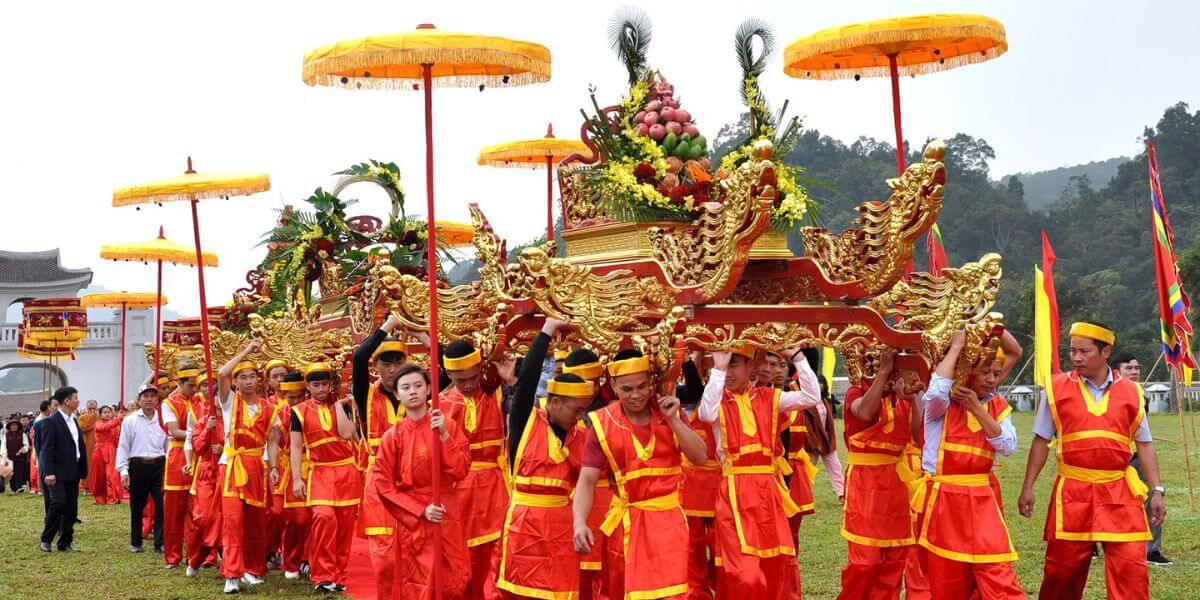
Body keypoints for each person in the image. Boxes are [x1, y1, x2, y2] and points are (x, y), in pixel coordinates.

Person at [1019, 321, 1167, 600]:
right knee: (1061, 575)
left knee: (1131, 572)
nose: (1076, 357)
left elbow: (1144, 444)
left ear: (1106, 351)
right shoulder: (1056, 388)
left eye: (1084, 351)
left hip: (1120, 492)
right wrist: (1028, 486)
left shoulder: (1132, 392)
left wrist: (1157, 490)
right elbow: (1041, 441)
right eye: (1072, 350)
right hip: (1073, 492)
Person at [573, 348, 707, 600]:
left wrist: (675, 420)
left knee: (673, 593)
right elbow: (587, 480)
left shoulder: (668, 410)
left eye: (642, 386)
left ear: (651, 382)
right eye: (627, 389)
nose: (636, 395)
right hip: (627, 525)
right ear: (613, 386)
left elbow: (700, 456)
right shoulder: (602, 422)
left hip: (669, 526)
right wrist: (579, 522)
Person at [700, 346, 822, 599]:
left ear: (750, 368)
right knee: (744, 574)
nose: (729, 371)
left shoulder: (769, 397)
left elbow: (811, 396)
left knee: (777, 564)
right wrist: (718, 369)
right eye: (726, 365)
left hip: (769, 491)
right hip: (734, 492)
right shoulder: (718, 399)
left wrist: (797, 356)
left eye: (734, 365)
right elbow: (705, 413)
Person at [914, 330, 1024, 599]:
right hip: (944, 503)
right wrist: (957, 347)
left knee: (999, 575)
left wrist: (977, 408)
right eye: (985, 372)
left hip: (982, 502)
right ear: (967, 373)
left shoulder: (996, 405)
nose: (992, 379)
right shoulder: (940, 406)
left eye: (996, 373)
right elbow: (937, 390)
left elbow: (1008, 446)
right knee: (947, 581)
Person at [496, 318, 594, 599]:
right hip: (525, 525)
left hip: (563, 526)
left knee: (562, 592)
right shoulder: (526, 422)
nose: (579, 417)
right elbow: (527, 380)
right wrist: (547, 330)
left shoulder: (581, 434)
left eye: (583, 411)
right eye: (576, 410)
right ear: (554, 403)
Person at [369, 363, 472, 599]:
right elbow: (383, 484)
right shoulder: (392, 437)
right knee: (418, 581)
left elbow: (460, 470)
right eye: (405, 387)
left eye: (418, 385)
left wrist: (445, 435)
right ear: (397, 395)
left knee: (455, 577)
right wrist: (421, 510)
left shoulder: (447, 426)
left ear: (428, 389)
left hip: (446, 510)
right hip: (413, 517)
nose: (412, 391)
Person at [837, 348, 920, 600]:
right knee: (865, 562)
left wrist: (913, 398)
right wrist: (883, 374)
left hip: (896, 484)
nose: (875, 363)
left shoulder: (900, 393)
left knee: (894, 561)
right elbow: (864, 413)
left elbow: (917, 436)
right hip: (865, 483)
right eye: (871, 359)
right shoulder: (856, 389)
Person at [440, 337, 515, 600]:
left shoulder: (496, 394)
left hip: (496, 487)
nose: (470, 384)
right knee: (465, 563)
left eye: (473, 377)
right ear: (449, 374)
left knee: (502, 556)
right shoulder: (440, 406)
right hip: (459, 492)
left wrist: (512, 382)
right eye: (461, 380)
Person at [353, 314, 418, 600]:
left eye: (398, 363)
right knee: (384, 557)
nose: (392, 370)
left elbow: (444, 369)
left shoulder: (418, 394)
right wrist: (388, 326)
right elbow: (358, 358)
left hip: (414, 481)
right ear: (376, 367)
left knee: (414, 552)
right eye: (386, 364)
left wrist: (419, 330)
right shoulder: (366, 393)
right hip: (379, 484)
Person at [215, 341, 284, 594]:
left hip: (256, 466)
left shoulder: (269, 407)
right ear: (236, 382)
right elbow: (222, 373)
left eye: (251, 376)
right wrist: (246, 352)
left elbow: (273, 441)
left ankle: (253, 568)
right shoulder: (230, 402)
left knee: (256, 521)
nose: (247, 382)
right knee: (233, 521)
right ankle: (231, 574)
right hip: (232, 466)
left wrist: (274, 467)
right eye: (242, 377)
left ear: (259, 380)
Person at [289, 362, 362, 593]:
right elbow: (296, 446)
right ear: (308, 387)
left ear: (332, 384)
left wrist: (339, 405)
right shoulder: (298, 411)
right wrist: (297, 478)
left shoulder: (343, 406)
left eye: (325, 384)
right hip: (320, 471)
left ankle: (338, 576)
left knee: (344, 526)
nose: (321, 389)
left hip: (346, 472)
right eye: (316, 384)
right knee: (323, 518)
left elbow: (348, 433)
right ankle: (321, 574)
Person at [561, 348, 619, 599]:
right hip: (575, 500)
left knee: (608, 572)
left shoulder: (616, 408)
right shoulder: (555, 411)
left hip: (611, 500)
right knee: (576, 573)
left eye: (591, 384)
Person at [1113, 351, 1172, 566]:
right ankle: (1091, 543)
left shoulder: (1140, 395)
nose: (1134, 372)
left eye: (1137, 368)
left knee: (1152, 498)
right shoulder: (1108, 395)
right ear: (1116, 372)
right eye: (1129, 368)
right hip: (1114, 459)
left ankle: (1152, 550)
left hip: (1136, 457)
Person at [117, 383, 168, 553]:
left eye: (153, 396)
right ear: (139, 400)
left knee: (161, 505)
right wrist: (123, 471)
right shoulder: (130, 421)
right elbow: (123, 446)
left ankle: (159, 542)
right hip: (137, 466)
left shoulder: (163, 419)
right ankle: (136, 541)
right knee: (137, 506)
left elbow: (168, 444)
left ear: (157, 399)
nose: (149, 399)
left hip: (159, 466)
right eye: (145, 396)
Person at [37, 386, 88, 553]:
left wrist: (82, 468)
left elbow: (77, 445)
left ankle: (65, 542)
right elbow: (46, 449)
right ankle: (46, 538)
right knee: (58, 503)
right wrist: (49, 471)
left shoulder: (73, 420)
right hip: (56, 472)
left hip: (73, 470)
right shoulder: (50, 422)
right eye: (75, 398)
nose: (78, 401)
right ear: (66, 401)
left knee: (71, 508)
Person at [183, 372, 223, 575]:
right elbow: (197, 447)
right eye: (206, 387)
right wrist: (208, 430)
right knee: (204, 519)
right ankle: (196, 558)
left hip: (228, 471)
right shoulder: (202, 419)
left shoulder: (233, 418)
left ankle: (230, 565)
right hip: (207, 473)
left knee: (227, 520)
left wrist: (224, 448)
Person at [161, 365, 200, 568]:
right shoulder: (170, 403)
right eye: (190, 386)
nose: (194, 389)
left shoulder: (202, 401)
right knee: (174, 512)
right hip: (178, 457)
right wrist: (200, 434)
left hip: (200, 456)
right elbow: (175, 431)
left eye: (197, 385)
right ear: (180, 384)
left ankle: (199, 557)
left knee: (198, 511)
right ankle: (173, 557)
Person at [274, 371, 311, 580]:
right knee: (296, 518)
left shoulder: (315, 409)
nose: (296, 401)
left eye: (300, 396)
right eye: (291, 397)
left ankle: (309, 560)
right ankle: (292, 561)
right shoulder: (280, 414)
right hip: (291, 467)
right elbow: (275, 443)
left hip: (316, 466)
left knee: (316, 517)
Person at [261, 358, 291, 570]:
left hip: (296, 460)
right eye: (275, 377)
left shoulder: (298, 400)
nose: (280, 380)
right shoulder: (265, 404)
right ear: (268, 381)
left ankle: (294, 554)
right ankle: (271, 549)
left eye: (283, 375)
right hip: (272, 461)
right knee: (275, 510)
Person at [808, 375, 844, 502]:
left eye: (821, 383)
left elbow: (830, 422)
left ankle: (842, 494)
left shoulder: (826, 401)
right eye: (816, 383)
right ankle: (804, 495)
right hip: (812, 442)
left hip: (827, 441)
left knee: (836, 467)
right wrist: (813, 442)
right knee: (808, 471)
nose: (819, 385)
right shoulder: (805, 402)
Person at [89, 405, 123, 505]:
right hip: (100, 451)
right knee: (99, 474)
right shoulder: (98, 423)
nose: (107, 414)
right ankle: (100, 496)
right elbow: (104, 427)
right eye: (104, 412)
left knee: (112, 474)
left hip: (112, 451)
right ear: (100, 414)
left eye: (109, 412)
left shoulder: (116, 425)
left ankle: (113, 497)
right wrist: (117, 419)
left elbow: (117, 438)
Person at [78, 399, 99, 494]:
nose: (92, 410)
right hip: (86, 445)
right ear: (87, 408)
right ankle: (86, 487)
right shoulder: (82, 417)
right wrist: (91, 418)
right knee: (87, 465)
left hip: (98, 444)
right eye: (90, 408)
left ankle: (98, 486)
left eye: (94, 408)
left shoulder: (100, 416)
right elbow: (82, 427)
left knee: (97, 466)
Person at [6, 419, 30, 493]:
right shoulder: (6, 435)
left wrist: (22, 450)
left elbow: (26, 445)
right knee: (11, 473)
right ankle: (13, 488)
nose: (13, 426)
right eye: (12, 425)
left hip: (20, 457)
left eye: (15, 425)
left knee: (19, 472)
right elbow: (3, 446)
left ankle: (19, 487)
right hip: (9, 458)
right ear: (9, 426)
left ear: (18, 426)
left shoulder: (22, 434)